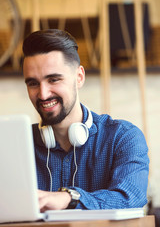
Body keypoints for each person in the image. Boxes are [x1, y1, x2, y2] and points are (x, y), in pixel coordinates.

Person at [22, 29, 149, 212]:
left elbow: (129, 197)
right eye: (33, 83)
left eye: (54, 80)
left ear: (79, 77)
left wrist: (69, 198)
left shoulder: (123, 137)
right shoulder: (15, 144)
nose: (43, 94)